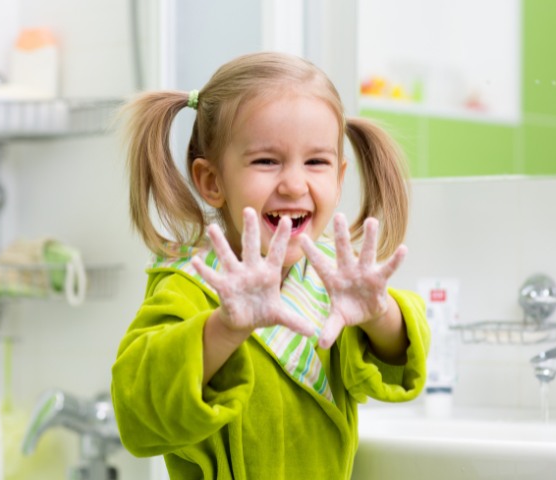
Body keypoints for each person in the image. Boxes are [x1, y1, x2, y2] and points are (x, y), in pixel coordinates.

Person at [111, 51, 430, 480]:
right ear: (212, 181)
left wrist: (379, 314)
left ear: (339, 178)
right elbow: (137, 408)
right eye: (266, 161)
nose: (295, 184)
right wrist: (224, 328)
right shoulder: (193, 284)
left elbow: (399, 360)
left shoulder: (335, 282)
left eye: (316, 161)